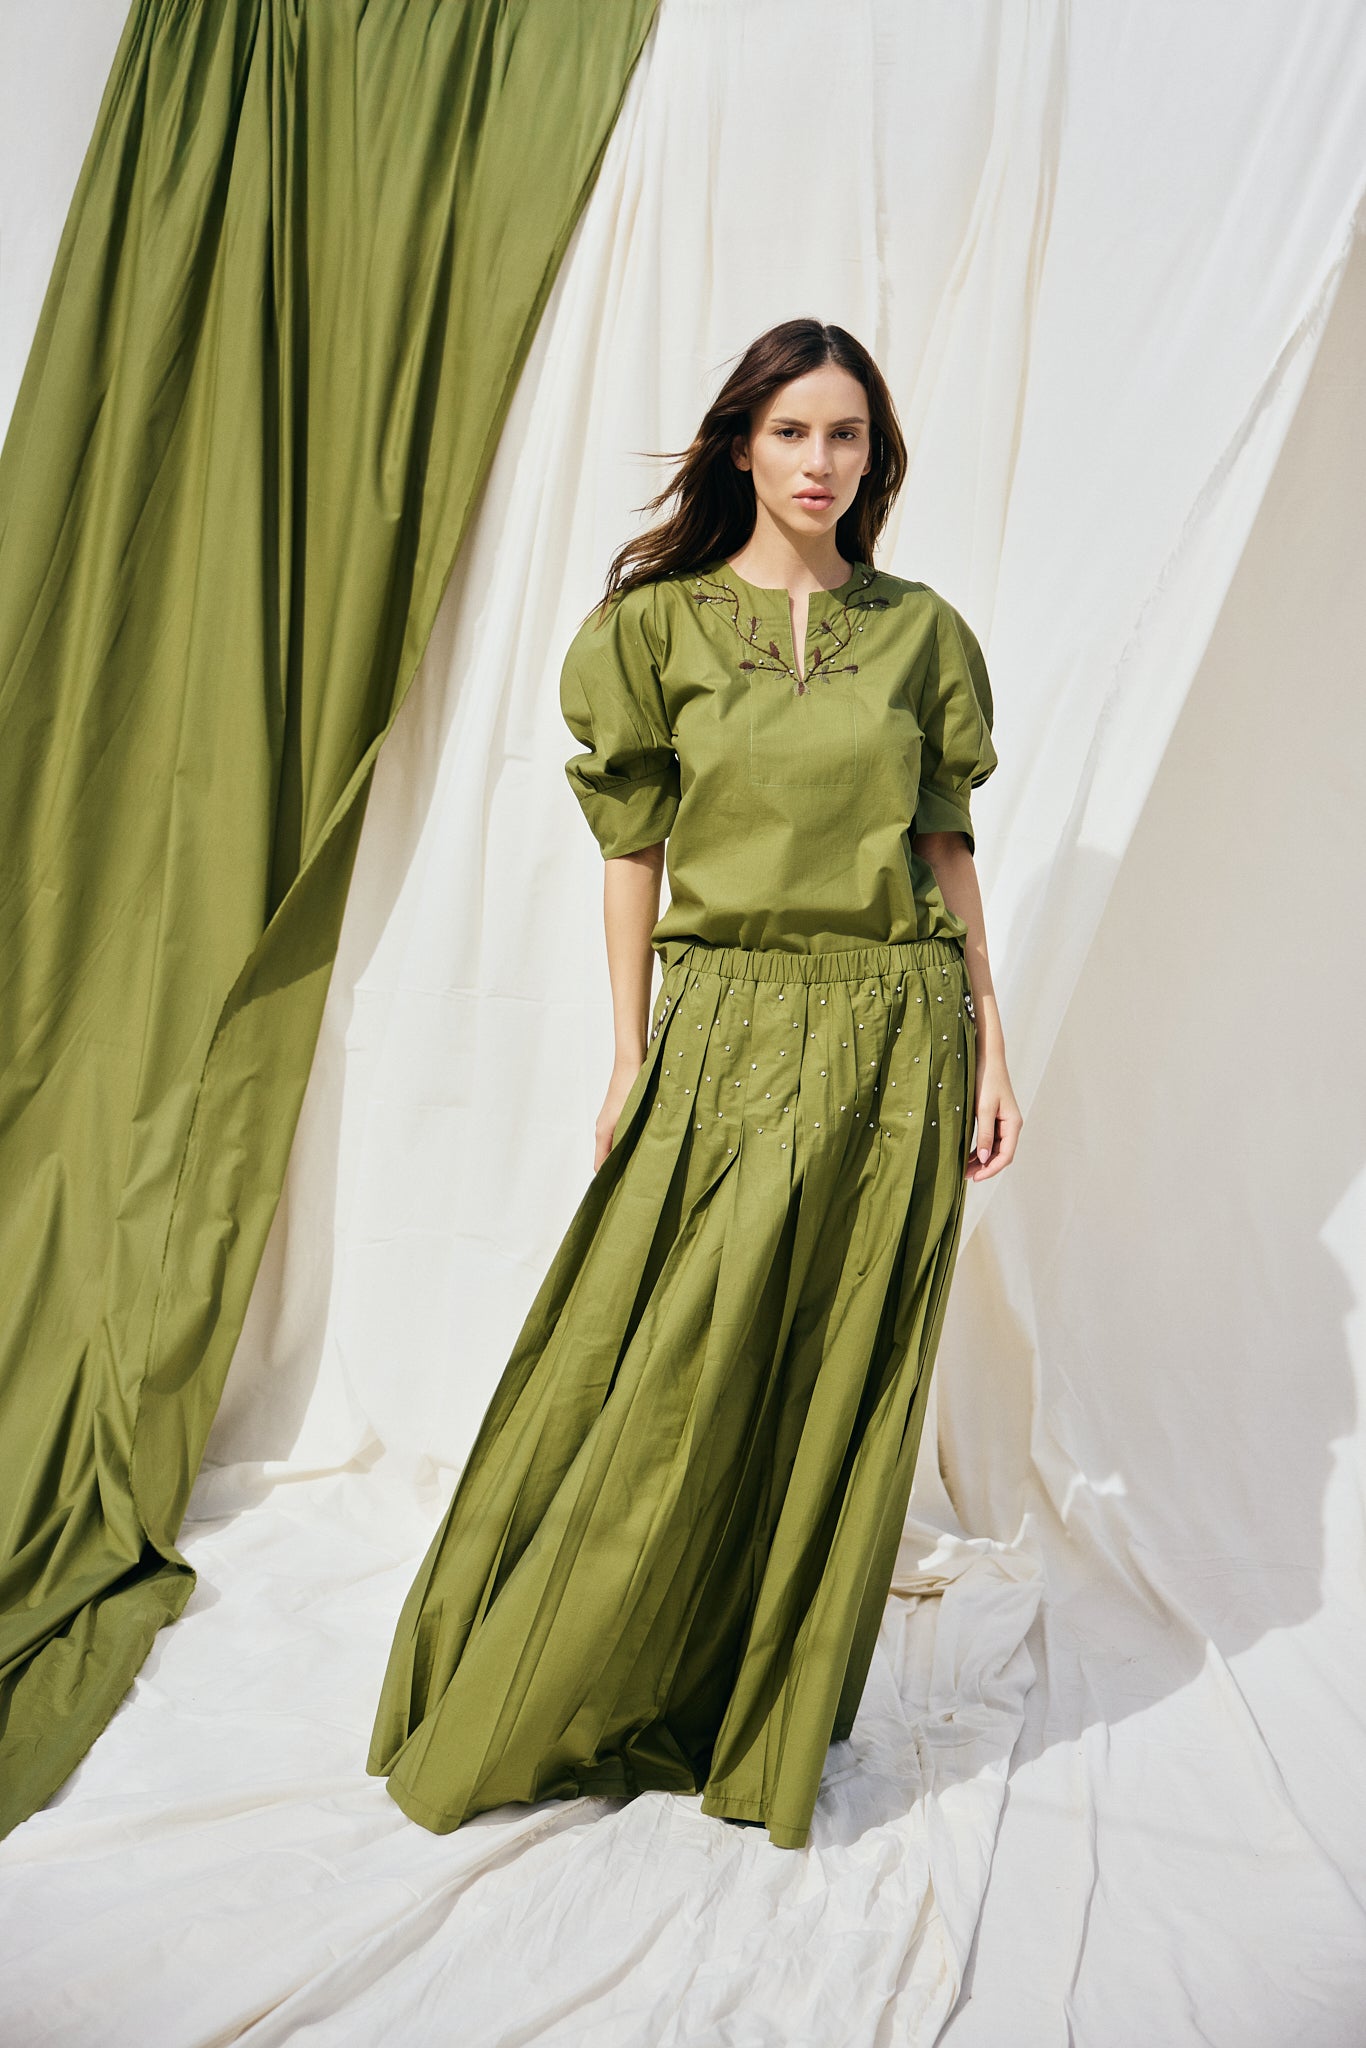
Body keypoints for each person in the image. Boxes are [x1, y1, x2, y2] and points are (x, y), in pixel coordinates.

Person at [367, 316, 1023, 1852]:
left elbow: (943, 849)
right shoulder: (654, 632)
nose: (818, 461)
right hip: (725, 1023)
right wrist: (628, 1048)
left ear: (874, 455)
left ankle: (757, 1712)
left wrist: (992, 1043)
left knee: (832, 1371)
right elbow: (634, 855)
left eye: (845, 434)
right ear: (740, 443)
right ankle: (556, 1674)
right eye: (791, 431)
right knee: (661, 1364)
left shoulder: (920, 635)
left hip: (897, 1034)